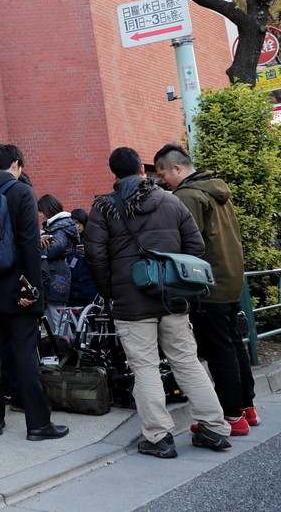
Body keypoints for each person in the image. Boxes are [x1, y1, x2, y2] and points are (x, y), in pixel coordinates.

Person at [83, 146, 231, 459]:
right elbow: (196, 247)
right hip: (173, 299)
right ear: (142, 170)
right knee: (187, 361)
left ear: (115, 174)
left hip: (130, 303)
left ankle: (158, 438)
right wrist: (176, 280)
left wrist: (111, 291)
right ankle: (214, 429)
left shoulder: (104, 207)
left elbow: (95, 256)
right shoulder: (172, 201)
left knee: (145, 367)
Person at [0, 144, 68, 441]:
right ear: (17, 164)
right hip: (18, 289)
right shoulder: (21, 192)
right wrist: (33, 289)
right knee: (25, 354)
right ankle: (38, 424)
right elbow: (29, 245)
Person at [154, 143, 258, 433]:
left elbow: (187, 243)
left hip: (207, 286)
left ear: (177, 168)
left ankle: (231, 417)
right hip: (231, 279)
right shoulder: (216, 190)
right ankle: (246, 409)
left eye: (163, 175)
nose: (163, 182)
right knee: (234, 344)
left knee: (218, 349)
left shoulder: (187, 196)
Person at [37, 194, 80, 337]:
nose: (40, 215)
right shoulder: (59, 226)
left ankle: (69, 351)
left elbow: (54, 250)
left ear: (47, 209)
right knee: (53, 318)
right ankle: (62, 350)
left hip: (56, 277)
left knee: (58, 318)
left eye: (41, 211)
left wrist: (39, 243)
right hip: (53, 275)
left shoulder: (61, 227)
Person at [67, 208, 98, 307]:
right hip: (72, 288)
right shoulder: (68, 241)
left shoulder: (92, 239)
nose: (78, 226)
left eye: (80, 223)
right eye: (74, 223)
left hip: (89, 287)